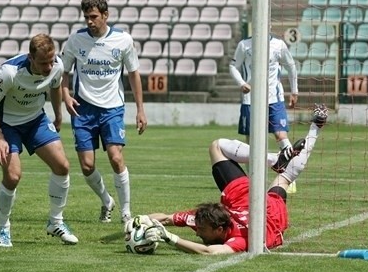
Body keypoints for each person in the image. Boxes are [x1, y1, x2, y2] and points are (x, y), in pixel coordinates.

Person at [129, 104, 329, 255]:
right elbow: (165, 218)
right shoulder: (206, 218)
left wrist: (169, 237)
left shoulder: (243, 239)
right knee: (282, 174)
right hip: (252, 206)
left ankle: (314, 128)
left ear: (220, 230)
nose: (197, 232)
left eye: (201, 230)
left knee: (286, 176)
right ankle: (295, 144)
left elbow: (210, 252)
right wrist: (139, 221)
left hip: (266, 215)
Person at [0, 34, 78, 247]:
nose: (49, 66)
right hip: (7, 125)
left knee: (62, 166)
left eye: (51, 61)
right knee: (13, 176)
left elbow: (54, 86)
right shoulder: (10, 72)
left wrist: (58, 115)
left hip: (36, 119)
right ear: (30, 58)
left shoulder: (56, 66)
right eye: (43, 63)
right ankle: (3, 228)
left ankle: (56, 222)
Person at [60, 0, 147, 224]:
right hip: (83, 108)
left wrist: (140, 109)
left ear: (105, 15)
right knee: (87, 166)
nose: (89, 21)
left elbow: (133, 74)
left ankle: (126, 212)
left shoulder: (123, 40)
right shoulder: (76, 40)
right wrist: (66, 96)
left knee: (116, 157)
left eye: (94, 16)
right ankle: (107, 200)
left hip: (112, 108)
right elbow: (64, 72)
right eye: (86, 17)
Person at [229, 35, 299, 190]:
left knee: (280, 135)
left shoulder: (278, 45)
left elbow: (291, 65)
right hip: (251, 99)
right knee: (251, 141)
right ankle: (252, 182)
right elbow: (233, 66)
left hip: (274, 98)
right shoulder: (244, 44)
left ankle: (289, 176)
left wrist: (294, 91)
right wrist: (241, 83)